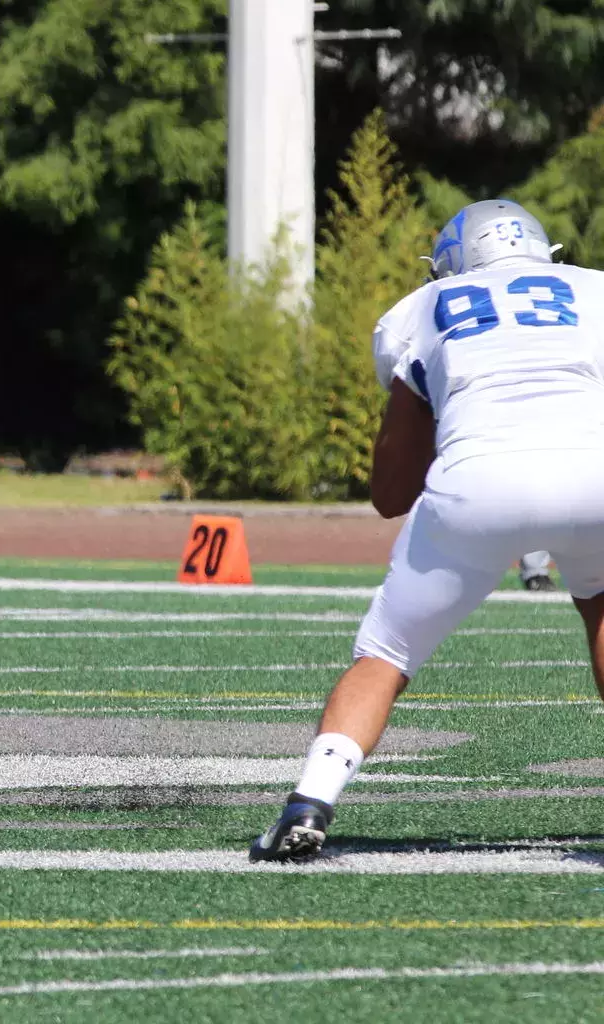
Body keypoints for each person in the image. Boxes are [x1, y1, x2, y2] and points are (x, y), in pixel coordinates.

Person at [252, 199, 604, 861]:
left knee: (386, 653)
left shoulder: (423, 306)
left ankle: (309, 802)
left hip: (476, 481)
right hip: (597, 474)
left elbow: (392, 490)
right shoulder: (596, 291)